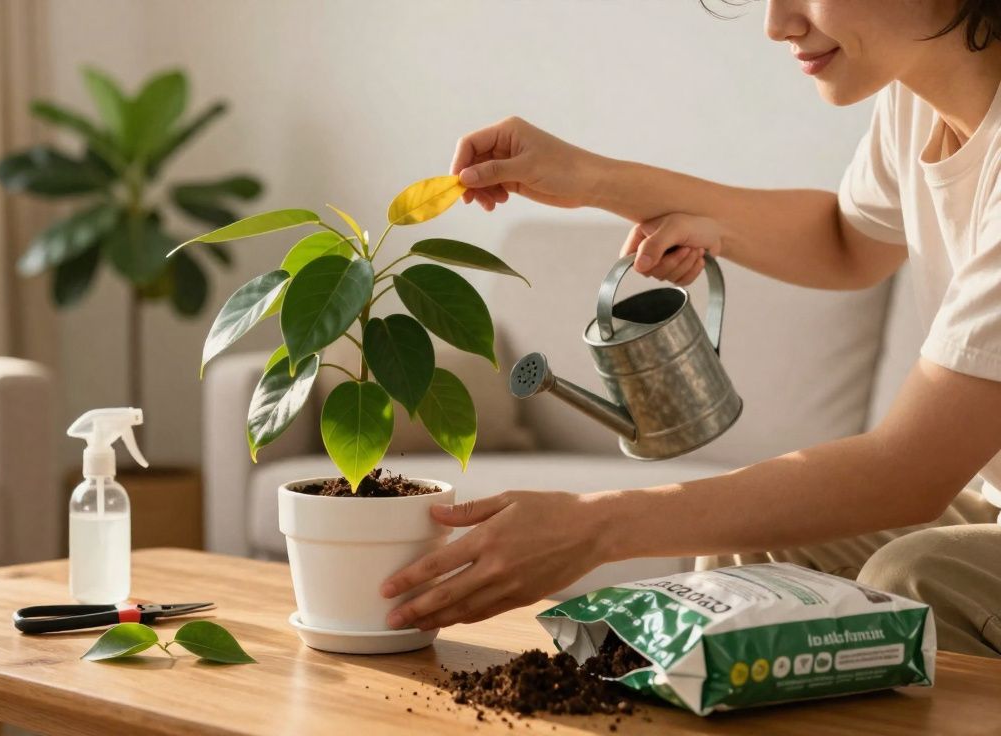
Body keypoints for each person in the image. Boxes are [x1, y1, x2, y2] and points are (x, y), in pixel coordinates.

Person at [381, 0, 1001, 657]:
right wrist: (591, 179)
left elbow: (906, 472)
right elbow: (850, 240)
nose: (777, 23)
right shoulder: (916, 96)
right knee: (757, 547)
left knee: (909, 581)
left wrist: (593, 528)